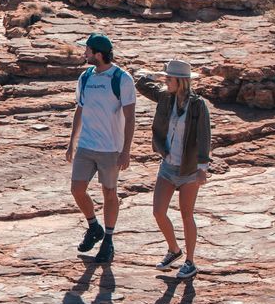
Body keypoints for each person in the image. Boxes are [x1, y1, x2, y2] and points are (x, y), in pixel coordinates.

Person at [65, 32, 135, 263]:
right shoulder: (86, 77)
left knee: (109, 193)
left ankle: (108, 240)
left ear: (98, 54)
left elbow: (130, 116)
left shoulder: (121, 78)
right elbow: (80, 109)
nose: (84, 53)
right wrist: (71, 142)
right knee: (77, 189)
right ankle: (94, 227)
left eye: (87, 50)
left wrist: (126, 150)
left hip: (110, 148)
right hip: (87, 144)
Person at [151, 59, 210, 280]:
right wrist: (151, 76)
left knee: (187, 214)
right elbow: (142, 85)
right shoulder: (166, 98)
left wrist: (202, 168)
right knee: (158, 211)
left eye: (169, 78)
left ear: (181, 81)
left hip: (189, 168)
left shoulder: (197, 105)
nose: (166, 81)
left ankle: (190, 262)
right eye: (165, 78)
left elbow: (204, 136)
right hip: (168, 164)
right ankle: (174, 250)